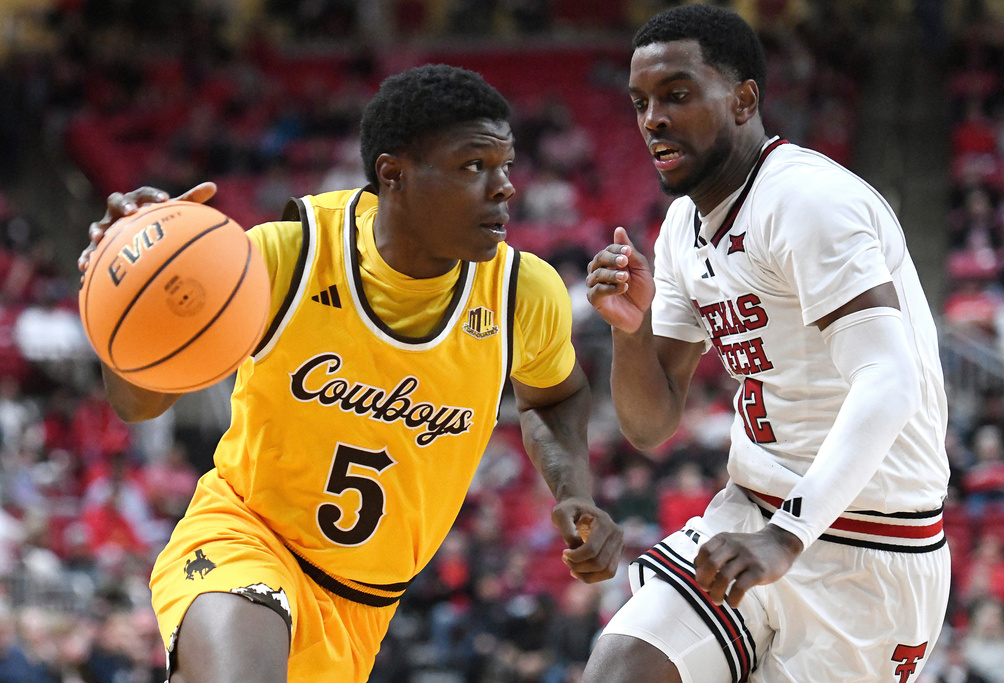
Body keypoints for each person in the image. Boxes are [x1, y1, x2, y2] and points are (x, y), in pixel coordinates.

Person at [77, 64, 624, 683]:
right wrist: (130, 289)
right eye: (474, 166)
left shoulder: (523, 294)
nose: (504, 188)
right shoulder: (287, 256)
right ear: (394, 175)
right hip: (245, 539)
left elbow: (555, 399)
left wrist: (574, 490)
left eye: (505, 166)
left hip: (365, 606)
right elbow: (138, 404)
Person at [582, 6, 950, 683]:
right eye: (640, 102)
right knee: (620, 670)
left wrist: (788, 535)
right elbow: (649, 423)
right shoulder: (682, 225)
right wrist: (628, 331)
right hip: (751, 512)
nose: (652, 119)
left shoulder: (808, 200)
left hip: (870, 547)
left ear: (744, 98)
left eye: (677, 95)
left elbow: (890, 380)